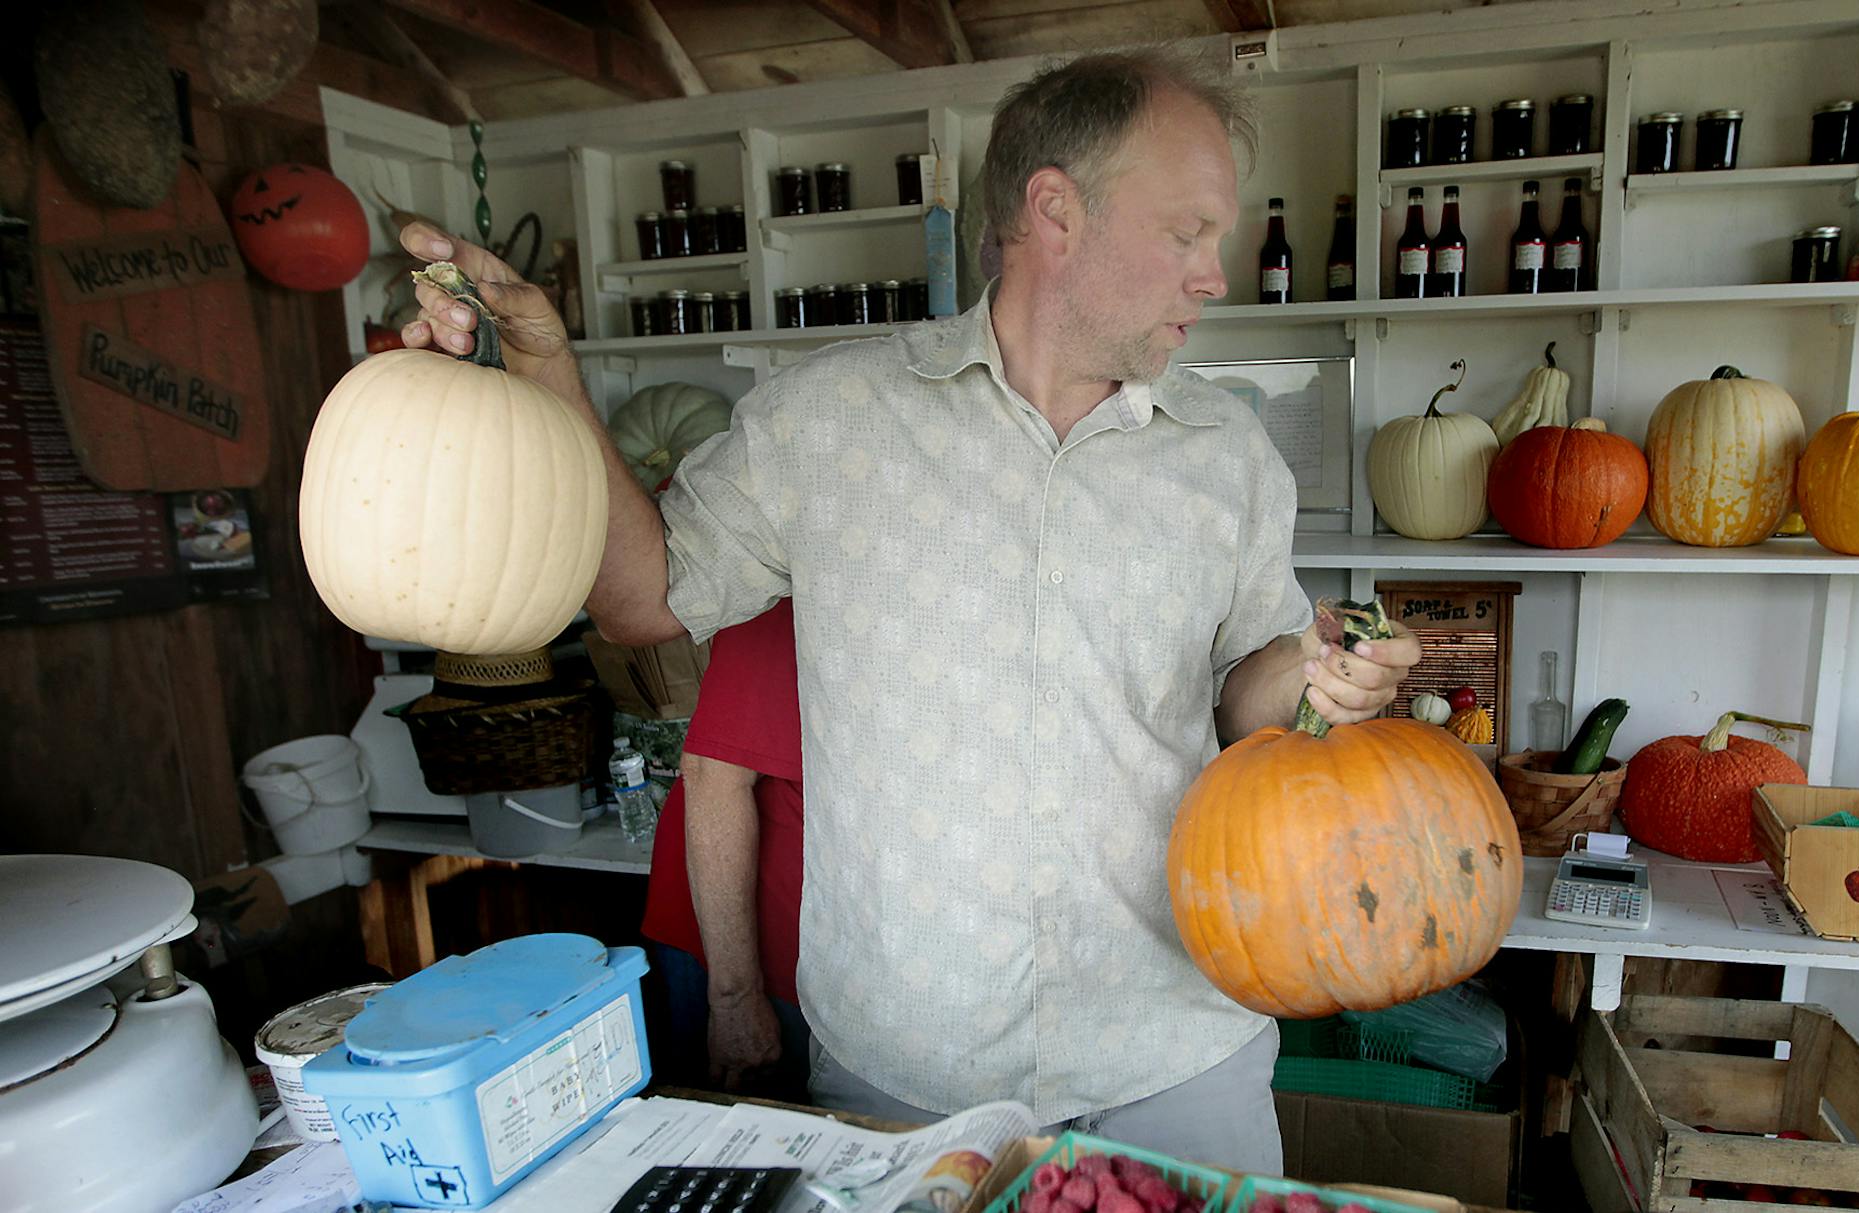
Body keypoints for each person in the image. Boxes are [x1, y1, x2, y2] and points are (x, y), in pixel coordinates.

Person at [400, 47, 1421, 1172]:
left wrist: (1315, 673)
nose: (1215, 275)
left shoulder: (1225, 451)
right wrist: (547, 371)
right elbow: (643, 598)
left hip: (1175, 1047)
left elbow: (1244, 694)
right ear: (1056, 211)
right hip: (906, 1068)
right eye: (1187, 232)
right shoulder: (828, 423)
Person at [639, 600, 808, 1097]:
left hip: (816, 935)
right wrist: (735, 998)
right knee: (736, 1128)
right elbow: (714, 778)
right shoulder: (785, 604)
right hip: (733, 939)